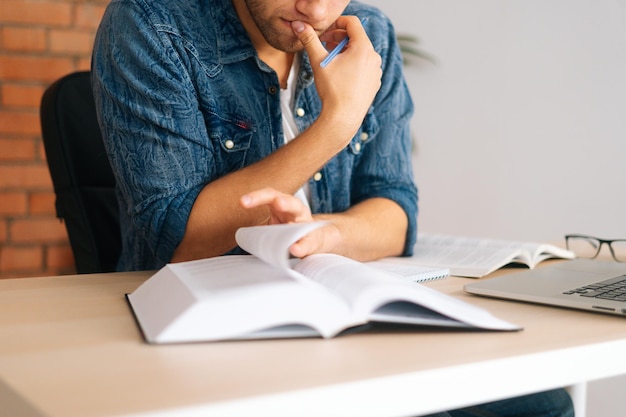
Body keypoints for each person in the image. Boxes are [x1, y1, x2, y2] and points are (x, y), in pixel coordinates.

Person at [91, 0, 574, 416]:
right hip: (204, 336)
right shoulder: (151, 25)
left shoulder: (369, 34)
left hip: (341, 322)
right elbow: (176, 236)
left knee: (543, 403)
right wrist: (336, 125)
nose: (318, 13)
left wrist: (321, 234)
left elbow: (395, 213)